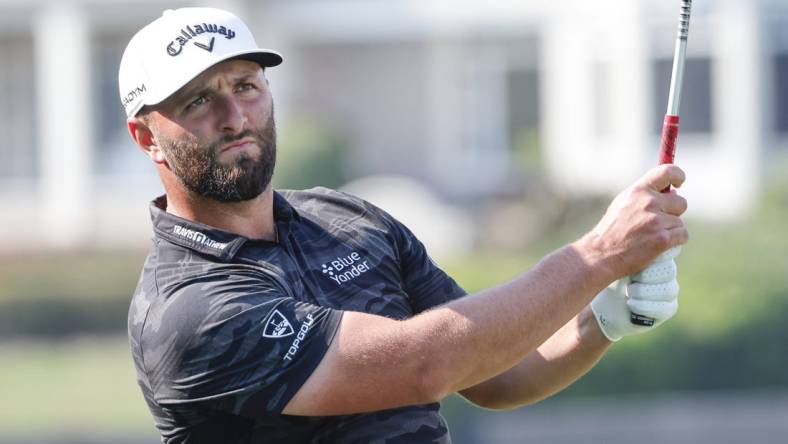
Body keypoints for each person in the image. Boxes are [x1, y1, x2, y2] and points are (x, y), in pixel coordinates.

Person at [121, 7, 688, 444]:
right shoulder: (188, 308)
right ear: (147, 138)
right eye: (199, 101)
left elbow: (494, 373)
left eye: (246, 86)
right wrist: (597, 255)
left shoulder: (347, 220)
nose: (235, 116)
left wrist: (600, 319)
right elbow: (421, 365)